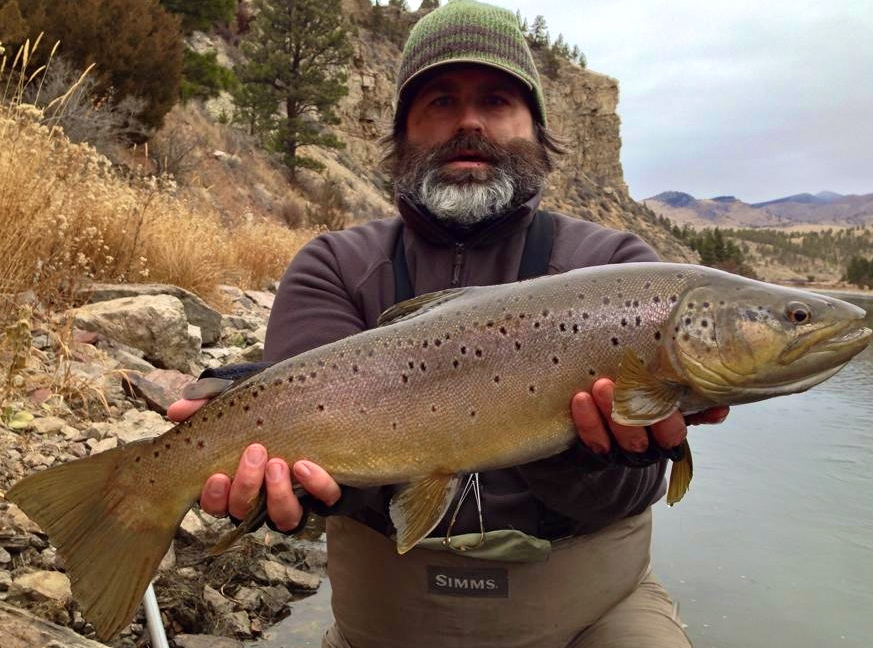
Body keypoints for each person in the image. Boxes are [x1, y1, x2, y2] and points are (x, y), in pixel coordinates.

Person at [168, 1, 727, 646]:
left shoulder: (616, 268)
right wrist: (299, 493)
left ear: (536, 130)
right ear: (402, 132)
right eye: (439, 101)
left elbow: (628, 492)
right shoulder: (334, 265)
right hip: (388, 618)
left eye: (496, 100)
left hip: (594, 613)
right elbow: (319, 469)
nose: (468, 122)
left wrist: (586, 456)